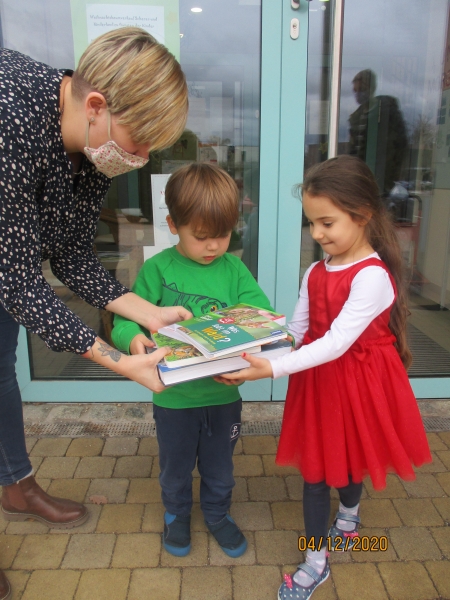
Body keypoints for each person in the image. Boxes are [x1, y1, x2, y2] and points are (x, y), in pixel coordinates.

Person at [0, 27, 190, 597]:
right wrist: (118, 361)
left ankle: (15, 485)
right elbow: (20, 282)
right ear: (97, 106)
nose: (141, 159)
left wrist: (149, 313)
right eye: (140, 143)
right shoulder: (11, 117)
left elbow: (74, 257)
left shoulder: (90, 149)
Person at [220, 156, 432, 599]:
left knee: (348, 460)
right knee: (315, 471)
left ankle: (349, 516)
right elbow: (297, 332)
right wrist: (250, 353)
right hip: (317, 383)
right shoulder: (316, 270)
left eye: (326, 223)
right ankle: (316, 559)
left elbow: (336, 342)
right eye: (312, 222)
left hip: (357, 384)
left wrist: (271, 369)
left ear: (363, 214)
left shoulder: (373, 276)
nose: (316, 234)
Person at [112, 163, 274, 558]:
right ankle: (177, 514)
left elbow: (261, 318)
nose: (214, 246)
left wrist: (248, 362)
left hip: (223, 397)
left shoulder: (234, 269)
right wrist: (133, 339)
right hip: (174, 399)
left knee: (220, 468)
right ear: (173, 224)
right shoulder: (158, 269)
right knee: (175, 467)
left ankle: (217, 514)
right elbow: (124, 319)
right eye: (201, 237)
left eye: (223, 234)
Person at [348, 69, 408, 196]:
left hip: (381, 183)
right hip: (359, 182)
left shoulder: (387, 113)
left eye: (361, 89)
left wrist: (389, 181)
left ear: (371, 88)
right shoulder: (356, 118)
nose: (358, 94)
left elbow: (399, 148)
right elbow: (353, 151)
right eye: (355, 91)